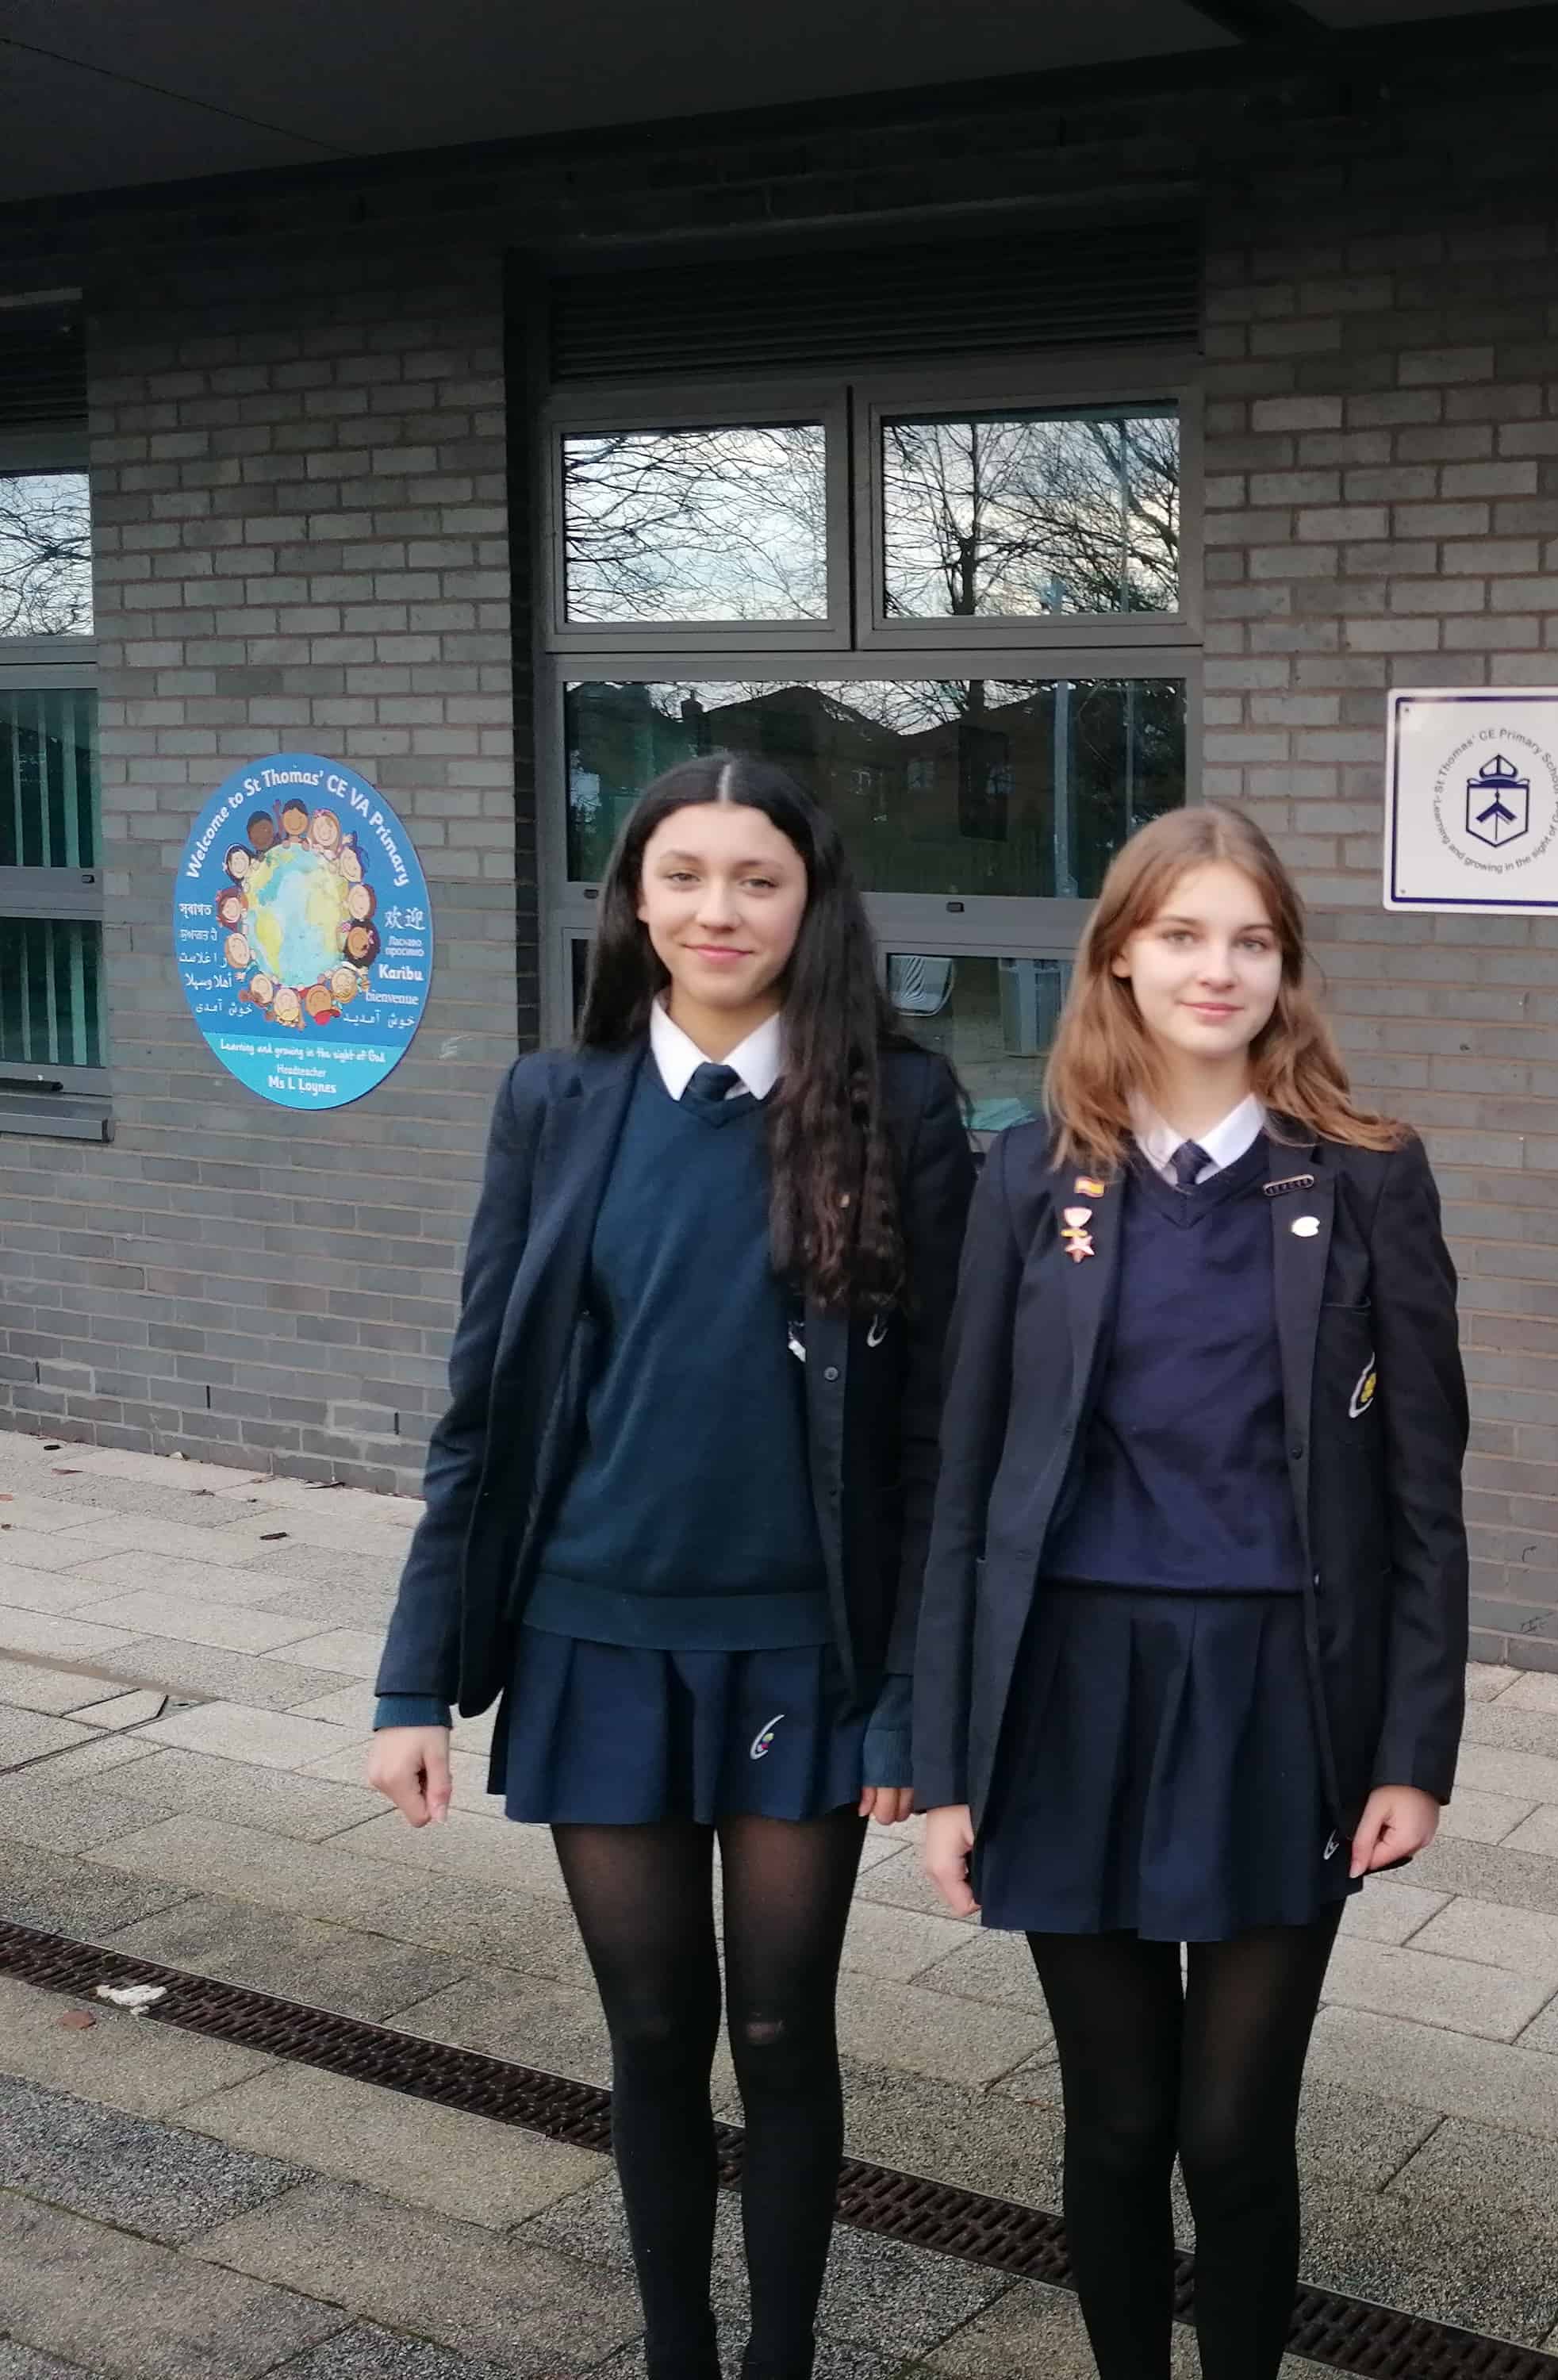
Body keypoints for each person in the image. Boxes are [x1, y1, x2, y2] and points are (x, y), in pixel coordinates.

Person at [366, 753, 973, 2380]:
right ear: (634, 896)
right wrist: (412, 1676)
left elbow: (929, 1446)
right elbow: (481, 1405)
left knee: (779, 2029)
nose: (720, 909)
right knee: (651, 2034)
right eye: (685, 875)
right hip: (592, 1637)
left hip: (800, 1652)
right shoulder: (554, 1105)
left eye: (757, 879)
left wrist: (911, 1702)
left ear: (811, 903)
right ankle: (677, 2353)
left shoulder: (898, 1107)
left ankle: (780, 2355)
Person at [910, 804, 1468, 2380]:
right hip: (1067, 1694)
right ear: (1118, 958)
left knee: (1230, 2131)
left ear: (1283, 969)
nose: (1214, 968)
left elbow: (1423, 1487)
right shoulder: (1029, 1181)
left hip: (1277, 1700)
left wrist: (1411, 1747)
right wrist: (947, 1765)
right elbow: (962, 1492)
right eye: (1179, 935)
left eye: (1248, 940)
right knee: (1114, 2121)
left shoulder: (1365, 1181)